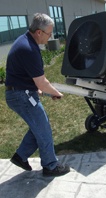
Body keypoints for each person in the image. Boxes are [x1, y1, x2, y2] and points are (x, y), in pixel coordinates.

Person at [5, 13, 70, 177]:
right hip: (21, 96)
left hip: (20, 92)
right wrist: (56, 93)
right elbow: (41, 82)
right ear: (39, 32)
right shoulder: (29, 49)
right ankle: (50, 166)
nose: (51, 37)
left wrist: (41, 90)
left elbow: (31, 78)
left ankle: (20, 156)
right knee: (44, 129)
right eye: (49, 33)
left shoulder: (24, 41)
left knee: (39, 127)